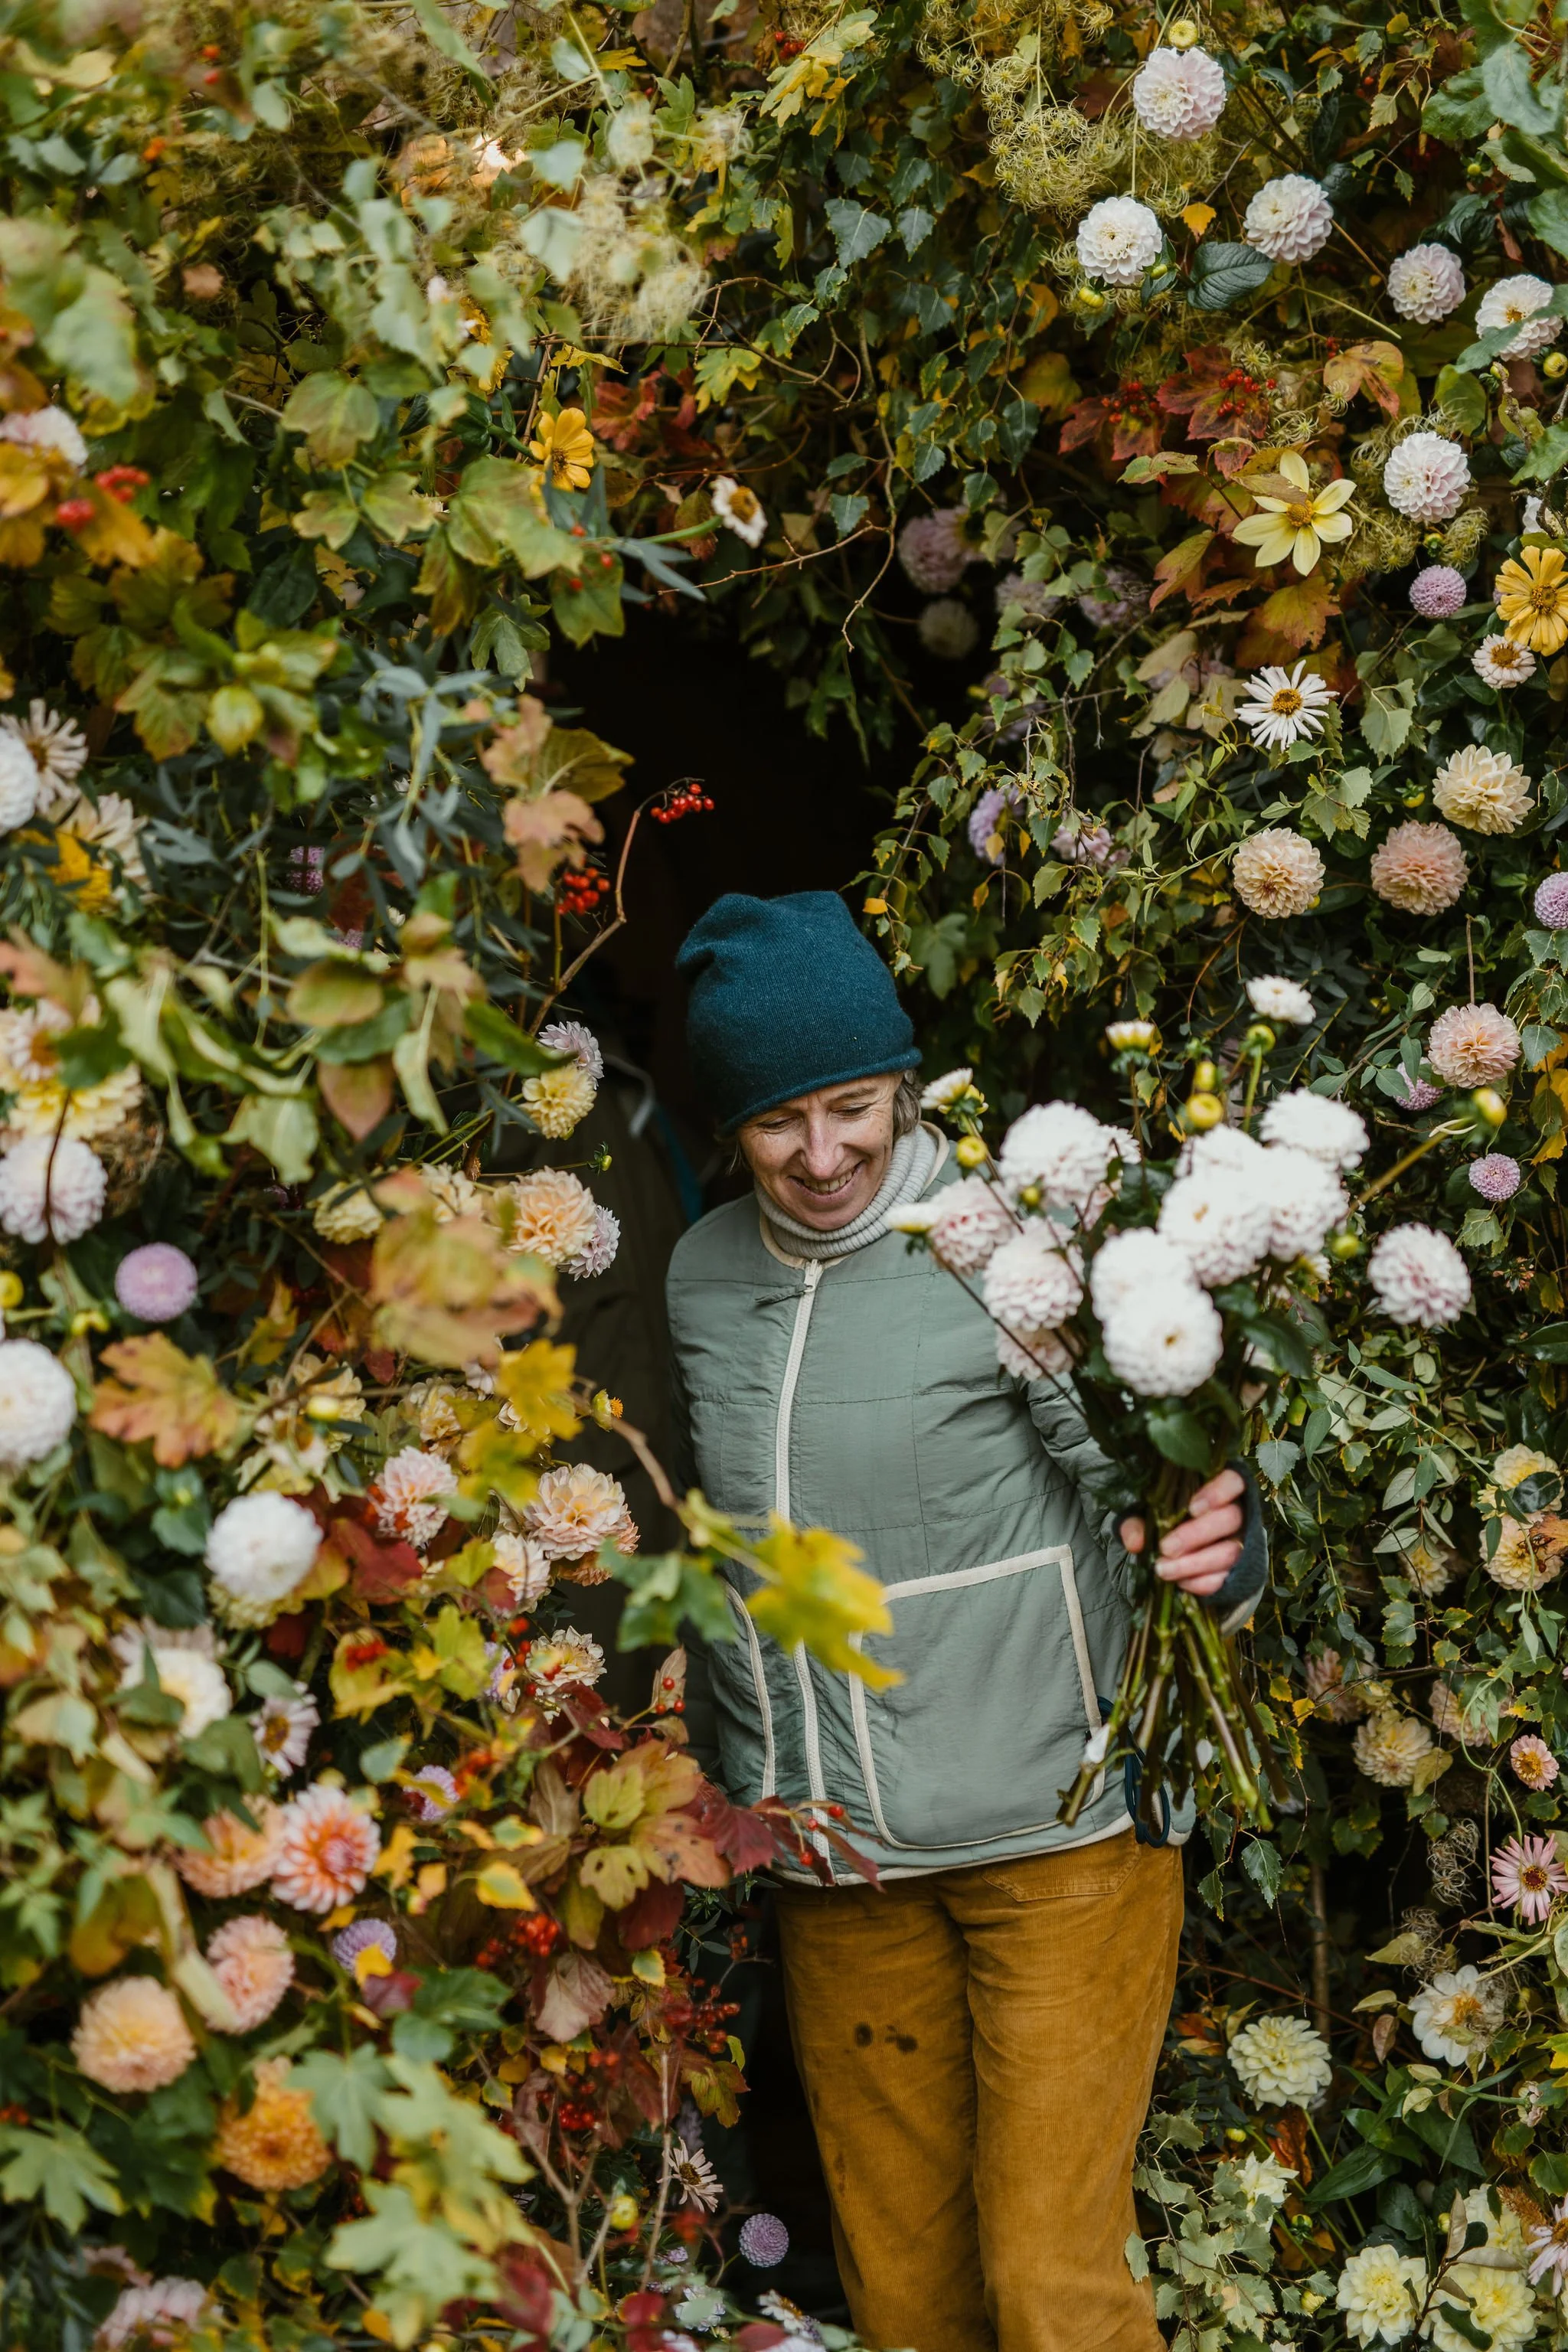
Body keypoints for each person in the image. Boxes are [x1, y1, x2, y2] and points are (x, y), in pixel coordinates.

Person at [665, 891, 1266, 2352]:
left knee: (1053, 2290)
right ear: (725, 1133)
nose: (823, 1157)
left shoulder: (1004, 1236)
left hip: (1055, 1835)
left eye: (854, 1107)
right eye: (774, 1125)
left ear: (903, 1082)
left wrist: (1225, 1553)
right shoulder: (700, 1276)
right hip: (838, 1863)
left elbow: (1176, 1487)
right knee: (906, 2298)